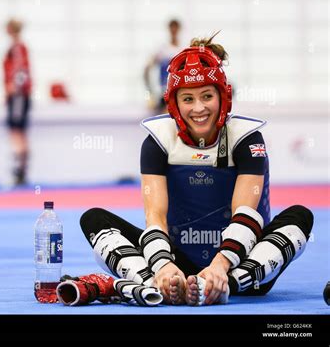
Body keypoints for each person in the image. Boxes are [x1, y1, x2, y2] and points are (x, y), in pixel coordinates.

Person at [78, 34, 314, 306]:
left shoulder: (247, 138)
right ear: (174, 104)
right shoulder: (157, 140)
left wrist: (220, 267)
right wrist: (164, 266)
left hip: (240, 265)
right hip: (177, 264)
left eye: (207, 96)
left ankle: (223, 287)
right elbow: (155, 216)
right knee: (94, 220)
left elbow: (246, 214)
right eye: (188, 98)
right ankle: (158, 283)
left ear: (222, 97)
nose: (199, 108)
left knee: (300, 217)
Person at [3, 19, 32, 186]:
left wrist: (14, 87)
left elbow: (23, 72)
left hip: (18, 97)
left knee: (16, 133)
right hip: (18, 96)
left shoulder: (18, 48)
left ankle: (19, 173)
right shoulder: (16, 48)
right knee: (19, 133)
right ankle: (20, 172)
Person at [144, 19, 183, 114]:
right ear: (169, 29)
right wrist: (150, 94)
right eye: (172, 27)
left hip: (180, 90)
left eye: (175, 27)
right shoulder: (162, 49)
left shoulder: (183, 48)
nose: (174, 30)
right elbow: (147, 69)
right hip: (164, 91)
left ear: (179, 29)